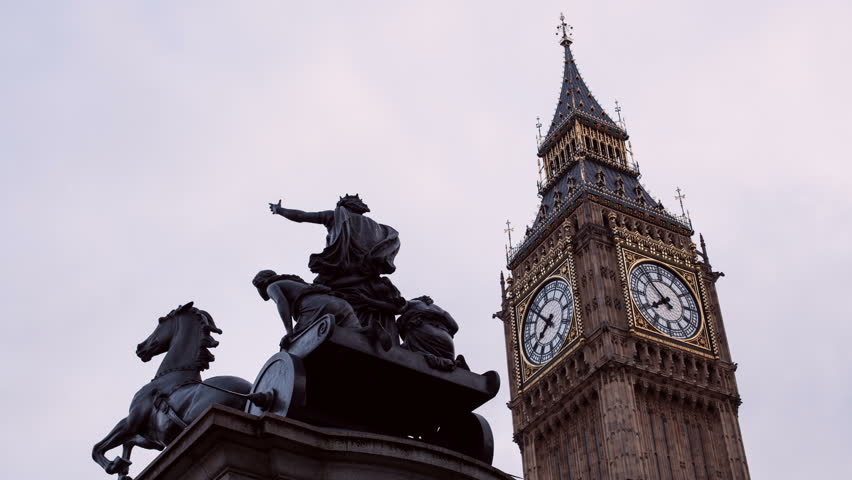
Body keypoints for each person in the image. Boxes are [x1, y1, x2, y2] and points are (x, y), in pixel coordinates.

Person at [268, 194, 405, 349]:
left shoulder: (337, 215)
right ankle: (371, 336)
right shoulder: (382, 229)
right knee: (353, 314)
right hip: (369, 282)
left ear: (343, 205)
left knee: (323, 302)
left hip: (341, 276)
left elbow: (302, 216)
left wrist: (280, 210)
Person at [252, 270, 360, 349]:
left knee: (290, 348)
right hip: (341, 304)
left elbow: (281, 302)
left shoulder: (272, 286)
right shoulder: (296, 283)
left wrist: (290, 333)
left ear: (261, 283)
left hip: (315, 308)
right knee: (359, 340)